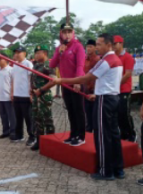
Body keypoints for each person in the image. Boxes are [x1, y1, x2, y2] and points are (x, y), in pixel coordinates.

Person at [53, 33, 124, 180]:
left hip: (105, 100)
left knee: (102, 135)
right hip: (111, 97)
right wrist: (96, 94)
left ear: (108, 45)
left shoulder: (107, 60)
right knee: (113, 135)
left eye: (99, 44)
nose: (96, 47)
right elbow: (108, 82)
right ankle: (118, 168)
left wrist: (62, 80)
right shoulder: (114, 59)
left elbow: (87, 78)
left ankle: (105, 171)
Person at [50, 23, 86, 146]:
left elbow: (80, 65)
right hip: (65, 85)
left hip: (76, 83)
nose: (67, 34)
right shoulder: (59, 48)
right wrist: (58, 53)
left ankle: (81, 136)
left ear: (73, 32)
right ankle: (73, 133)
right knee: (70, 110)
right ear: (61, 33)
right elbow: (52, 65)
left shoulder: (78, 47)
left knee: (78, 110)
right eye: (64, 32)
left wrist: (78, 81)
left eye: (69, 32)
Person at [30, 45, 56, 151]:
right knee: (37, 119)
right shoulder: (35, 66)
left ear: (44, 53)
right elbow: (32, 79)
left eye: (38, 53)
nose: (36, 55)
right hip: (36, 95)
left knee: (47, 119)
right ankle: (39, 141)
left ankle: (51, 142)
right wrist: (31, 91)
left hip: (44, 95)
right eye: (35, 53)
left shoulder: (49, 65)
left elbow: (53, 80)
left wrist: (41, 90)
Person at [113, 35, 136, 142]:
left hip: (124, 90)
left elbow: (127, 75)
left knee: (124, 113)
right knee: (117, 114)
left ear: (121, 44)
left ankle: (131, 134)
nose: (113, 46)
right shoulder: (113, 57)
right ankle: (123, 133)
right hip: (115, 91)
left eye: (115, 44)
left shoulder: (128, 57)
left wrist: (115, 85)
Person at [11, 46, 35, 146]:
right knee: (18, 117)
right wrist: (11, 93)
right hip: (16, 95)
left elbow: (31, 79)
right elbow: (12, 80)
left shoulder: (28, 64)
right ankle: (19, 135)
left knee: (28, 117)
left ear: (24, 53)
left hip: (25, 95)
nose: (17, 54)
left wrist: (31, 93)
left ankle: (32, 136)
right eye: (16, 52)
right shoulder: (15, 65)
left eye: (19, 52)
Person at [0, 52, 16, 139]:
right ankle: (5, 131)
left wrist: (12, 94)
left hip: (8, 97)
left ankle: (13, 132)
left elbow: (13, 83)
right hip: (0, 97)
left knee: (12, 116)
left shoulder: (11, 70)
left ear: (6, 60)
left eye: (0, 59)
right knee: (3, 116)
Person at [84, 40, 101, 133]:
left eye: (91, 46)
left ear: (95, 48)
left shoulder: (98, 60)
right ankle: (89, 133)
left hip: (95, 91)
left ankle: (97, 133)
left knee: (96, 115)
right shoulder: (84, 60)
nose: (88, 48)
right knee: (88, 115)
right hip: (86, 91)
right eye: (87, 47)